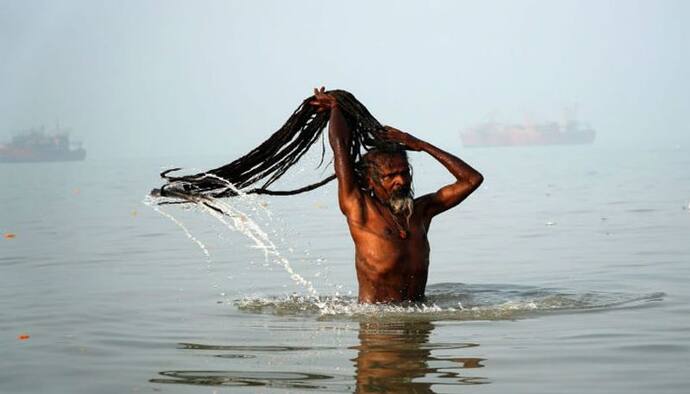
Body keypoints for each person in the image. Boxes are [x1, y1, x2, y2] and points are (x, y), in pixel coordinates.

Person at [310, 87, 483, 303]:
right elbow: (340, 148)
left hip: (420, 327)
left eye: (404, 173)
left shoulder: (420, 212)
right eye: (390, 176)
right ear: (369, 181)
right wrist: (336, 109)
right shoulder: (359, 207)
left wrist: (421, 145)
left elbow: (472, 179)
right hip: (378, 329)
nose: (400, 180)